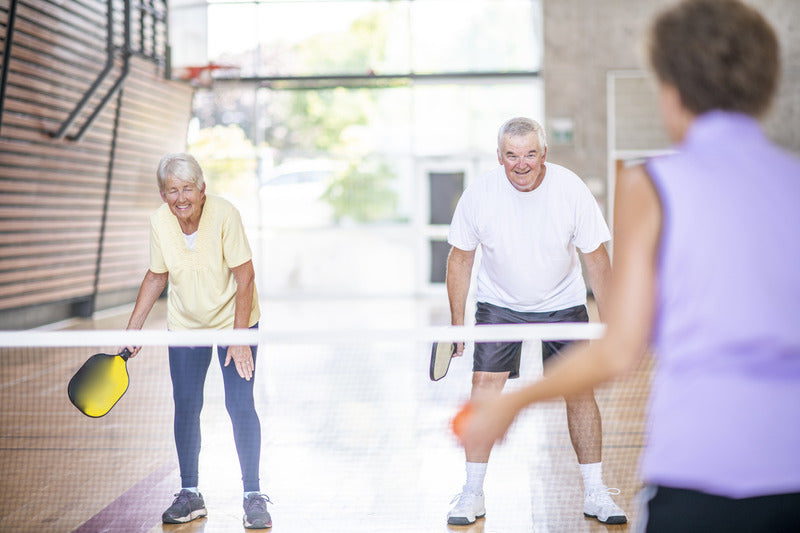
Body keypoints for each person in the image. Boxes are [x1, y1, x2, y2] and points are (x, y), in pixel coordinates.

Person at [457, 1, 800, 531]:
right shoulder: (792, 181)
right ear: (768, 81)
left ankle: (595, 487)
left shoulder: (651, 185)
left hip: (696, 469)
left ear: (670, 88)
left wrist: (514, 403)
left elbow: (622, 346)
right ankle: (472, 490)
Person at [445, 116, 626, 525]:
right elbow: (460, 258)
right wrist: (458, 324)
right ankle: (472, 493)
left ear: (543, 154)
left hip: (563, 302)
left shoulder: (570, 189)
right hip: (499, 305)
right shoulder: (480, 195)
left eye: (529, 154)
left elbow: (596, 258)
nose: (521, 164)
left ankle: (596, 492)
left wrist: (615, 324)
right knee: (484, 389)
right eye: (512, 155)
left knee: (580, 392)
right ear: (499, 156)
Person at [123, 153, 272, 529]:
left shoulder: (224, 214)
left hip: (234, 321)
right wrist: (132, 329)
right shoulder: (160, 222)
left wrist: (239, 338)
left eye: (187, 188)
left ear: (202, 190)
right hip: (186, 325)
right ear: (162, 194)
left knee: (240, 404)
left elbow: (246, 275)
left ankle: (253, 495)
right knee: (186, 405)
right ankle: (190, 493)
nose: (181, 197)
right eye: (172, 190)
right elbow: (156, 275)